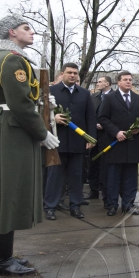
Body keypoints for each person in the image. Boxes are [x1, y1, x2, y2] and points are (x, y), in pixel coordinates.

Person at [0, 15, 60, 275]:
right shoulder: (12, 61)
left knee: (6, 193)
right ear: (12, 32)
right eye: (26, 28)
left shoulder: (10, 59)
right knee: (7, 193)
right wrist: (42, 133)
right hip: (13, 130)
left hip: (11, 128)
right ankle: (0, 259)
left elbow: (24, 97)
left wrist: (42, 103)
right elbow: (19, 103)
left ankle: (1, 255)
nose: (32, 33)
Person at [44, 63, 97, 221]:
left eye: (75, 73)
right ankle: (50, 206)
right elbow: (41, 113)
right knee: (55, 176)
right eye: (69, 73)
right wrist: (53, 118)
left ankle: (75, 205)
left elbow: (90, 117)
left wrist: (91, 138)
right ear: (62, 74)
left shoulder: (84, 93)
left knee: (76, 176)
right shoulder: (51, 91)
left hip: (77, 141)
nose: (72, 75)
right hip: (56, 140)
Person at [98, 71, 139, 216]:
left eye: (130, 80)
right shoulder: (109, 98)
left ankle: (128, 204)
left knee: (131, 177)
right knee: (113, 177)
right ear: (118, 82)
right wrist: (116, 132)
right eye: (125, 80)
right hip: (115, 143)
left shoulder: (138, 99)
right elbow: (103, 118)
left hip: (132, 144)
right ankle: (112, 204)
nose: (128, 82)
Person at [86, 75, 113, 202]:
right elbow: (90, 114)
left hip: (108, 136)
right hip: (94, 135)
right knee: (93, 163)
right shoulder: (94, 97)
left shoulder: (114, 97)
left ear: (107, 83)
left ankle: (106, 189)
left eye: (100, 82)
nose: (97, 83)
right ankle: (94, 189)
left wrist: (105, 125)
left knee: (106, 164)